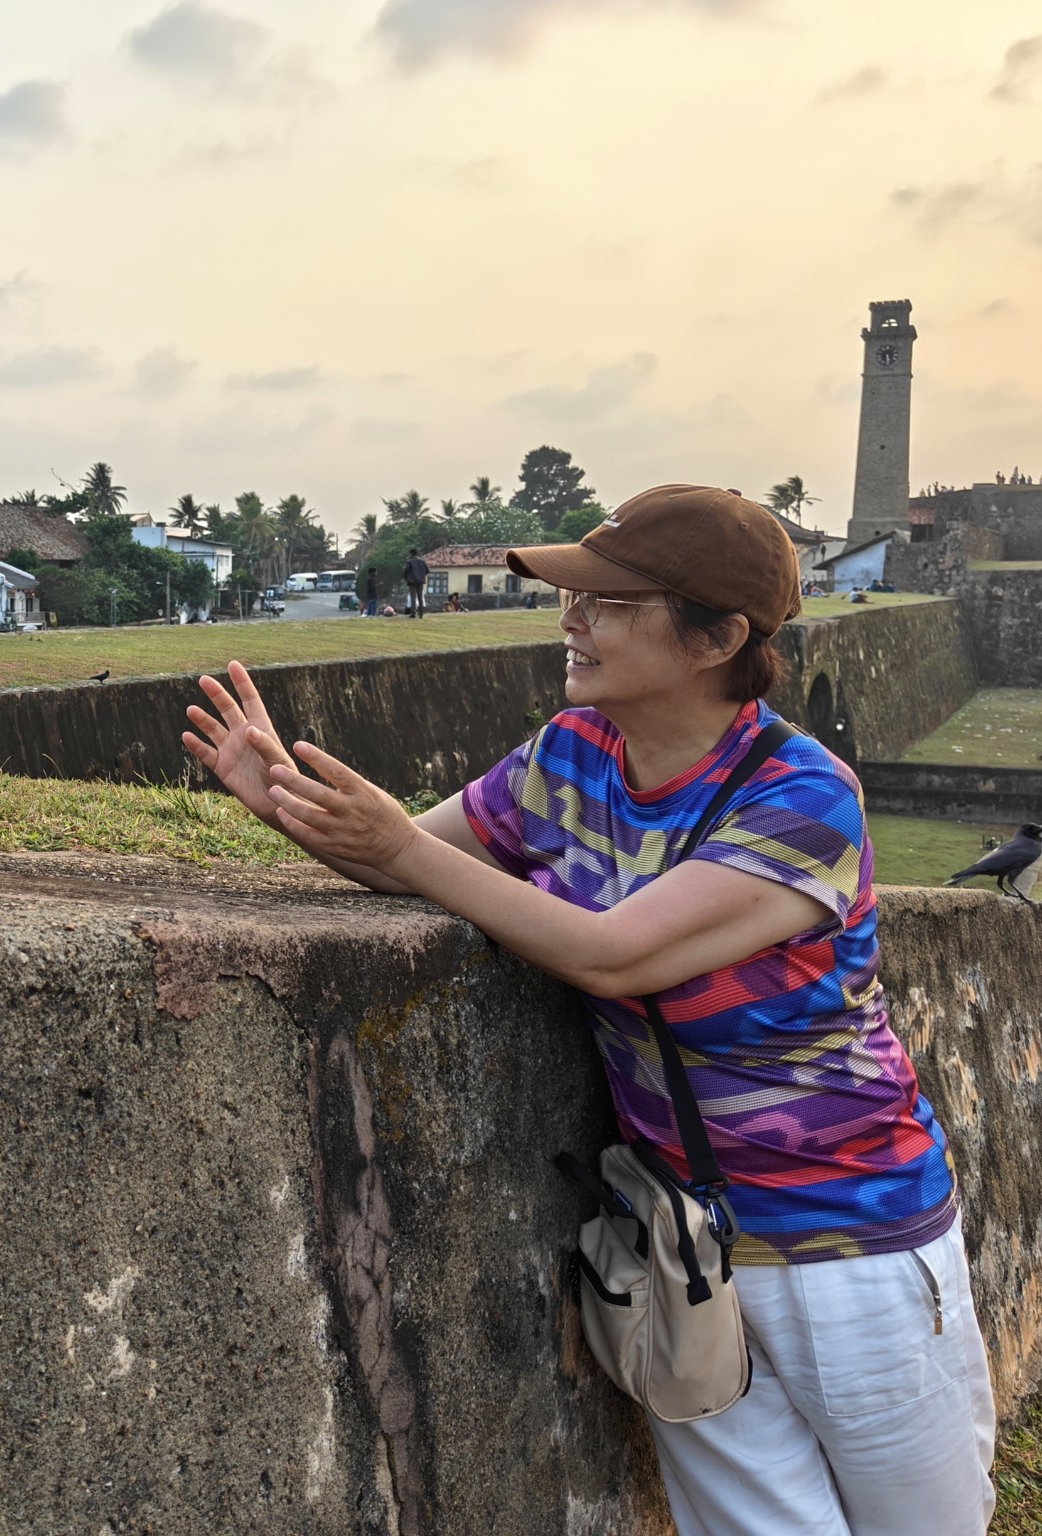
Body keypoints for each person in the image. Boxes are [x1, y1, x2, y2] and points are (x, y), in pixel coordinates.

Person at [184, 484, 994, 1536]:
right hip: (687, 1250)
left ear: (716, 637)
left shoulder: (797, 797)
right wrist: (284, 796)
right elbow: (417, 864)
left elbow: (617, 957)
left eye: (608, 601)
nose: (572, 620)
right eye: (574, 597)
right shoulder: (571, 757)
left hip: (854, 1251)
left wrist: (396, 848)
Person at [402, 552, 429, 618]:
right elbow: (427, 570)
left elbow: (406, 570)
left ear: (411, 554)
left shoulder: (409, 562)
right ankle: (421, 613)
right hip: (420, 581)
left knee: (413, 597)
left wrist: (407, 578)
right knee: (420, 597)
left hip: (412, 581)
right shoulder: (422, 562)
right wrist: (422, 576)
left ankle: (413, 613)